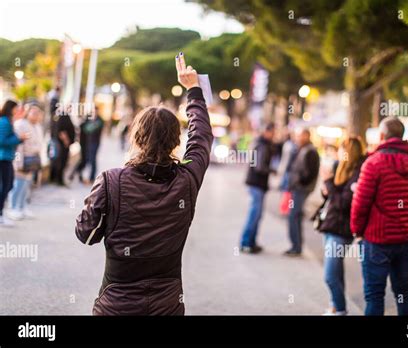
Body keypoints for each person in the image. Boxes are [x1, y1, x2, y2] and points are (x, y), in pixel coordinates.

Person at [75, 52, 213, 315]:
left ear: (136, 137)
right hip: (168, 304)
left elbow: (86, 234)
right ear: (176, 142)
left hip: (116, 303)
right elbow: (202, 137)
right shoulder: (187, 179)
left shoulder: (110, 180)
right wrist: (194, 90)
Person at [350, 116, 408, 316]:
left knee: (375, 294)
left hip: (377, 240)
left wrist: (357, 231)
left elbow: (360, 204)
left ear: (382, 135)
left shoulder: (373, 163)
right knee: (403, 290)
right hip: (405, 240)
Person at [318, 137, 365, 315]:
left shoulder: (358, 172)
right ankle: (335, 305)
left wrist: (328, 183)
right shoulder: (340, 167)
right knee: (336, 272)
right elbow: (332, 198)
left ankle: (341, 310)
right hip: (330, 225)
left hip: (342, 230)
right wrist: (326, 188)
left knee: (329, 275)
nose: (338, 152)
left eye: (342, 149)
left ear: (349, 152)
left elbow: (345, 203)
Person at [239, 123, 275, 254]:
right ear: (266, 132)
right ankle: (246, 243)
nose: (273, 135)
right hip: (256, 183)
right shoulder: (262, 145)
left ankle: (251, 242)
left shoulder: (261, 143)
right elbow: (259, 166)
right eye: (272, 132)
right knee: (254, 214)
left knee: (257, 214)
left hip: (257, 184)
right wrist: (272, 170)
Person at [285, 128, 319, 256]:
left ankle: (296, 246)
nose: (299, 138)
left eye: (301, 135)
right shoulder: (302, 149)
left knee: (293, 216)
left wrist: (299, 182)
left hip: (301, 189)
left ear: (307, 136)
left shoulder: (310, 151)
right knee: (295, 216)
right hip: (297, 188)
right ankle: (296, 245)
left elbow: (310, 173)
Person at [9, 104, 44, 220]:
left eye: (37, 113)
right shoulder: (20, 125)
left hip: (33, 159)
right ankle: (13, 208)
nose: (36, 115)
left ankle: (22, 206)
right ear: (27, 113)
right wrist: (18, 163)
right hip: (23, 159)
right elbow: (18, 147)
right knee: (18, 184)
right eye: (33, 113)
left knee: (27, 185)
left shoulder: (38, 126)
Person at [0, 100, 29, 226]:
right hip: (3, 158)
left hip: (7, 157)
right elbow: (2, 140)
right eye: (16, 108)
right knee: (6, 186)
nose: (17, 111)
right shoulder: (5, 122)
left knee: (8, 185)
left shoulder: (7, 121)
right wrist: (18, 138)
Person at [50, 110, 75, 186]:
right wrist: (66, 141)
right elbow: (61, 131)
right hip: (63, 145)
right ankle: (59, 180)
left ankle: (55, 178)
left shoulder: (58, 116)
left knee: (58, 161)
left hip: (61, 144)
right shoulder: (64, 116)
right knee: (61, 162)